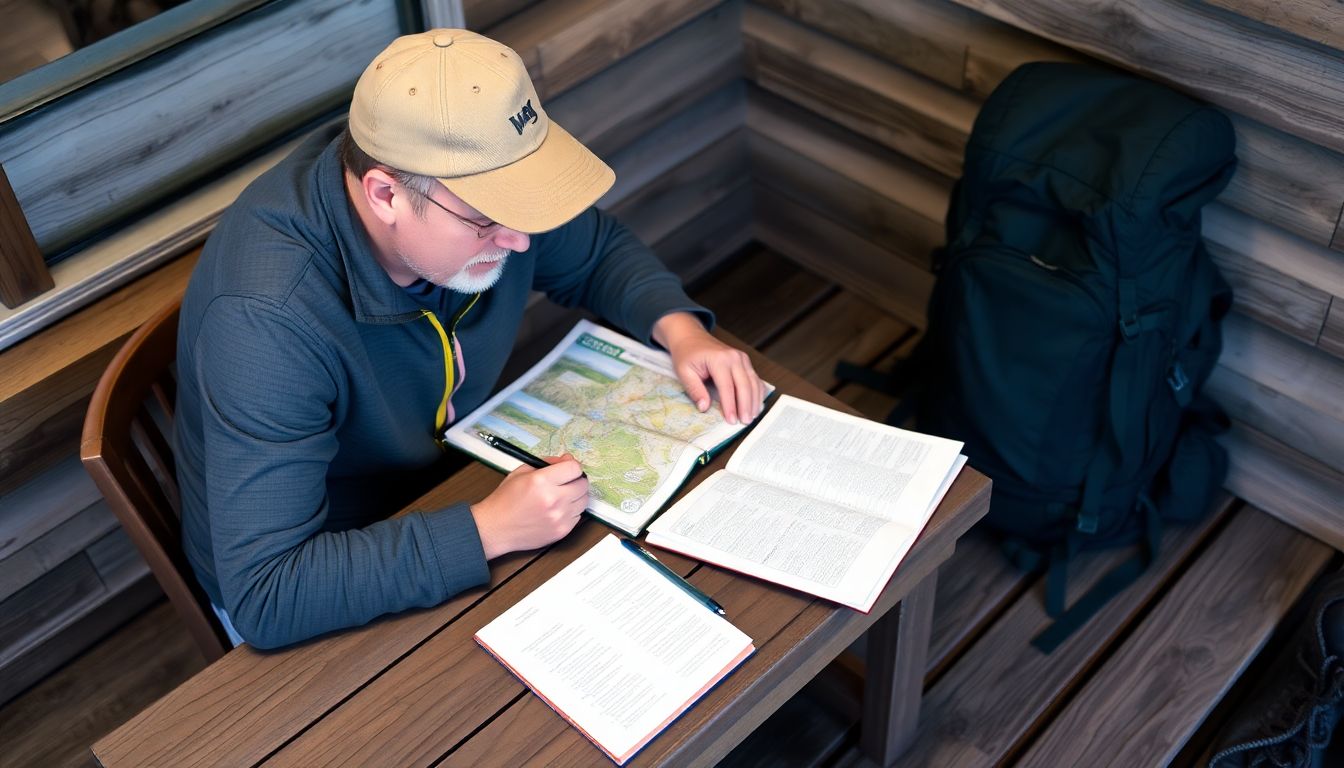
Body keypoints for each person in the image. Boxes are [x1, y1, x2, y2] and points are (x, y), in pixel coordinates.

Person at [174, 29, 765, 649]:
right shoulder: (265, 320)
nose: (517, 240)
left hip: (457, 477)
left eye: (525, 207)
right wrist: (488, 529)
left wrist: (680, 328)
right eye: (486, 219)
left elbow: (593, 252)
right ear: (385, 194)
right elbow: (271, 592)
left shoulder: (447, 195)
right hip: (328, 567)